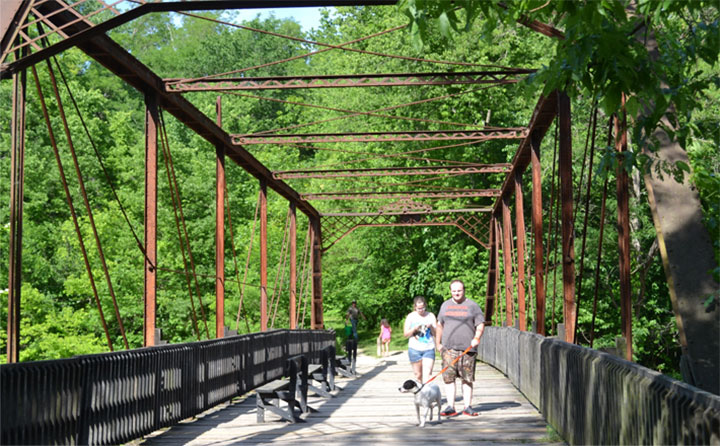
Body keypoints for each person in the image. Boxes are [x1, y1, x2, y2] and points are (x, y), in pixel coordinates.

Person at [435, 279, 485, 417]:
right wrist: (438, 344)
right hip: (448, 348)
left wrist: (477, 337)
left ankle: (467, 406)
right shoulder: (445, 305)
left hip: (468, 349)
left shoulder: (473, 306)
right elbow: (439, 325)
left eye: (459, 290)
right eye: (454, 290)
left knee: (467, 378)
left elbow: (480, 324)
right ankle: (450, 406)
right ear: (450, 291)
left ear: (464, 290)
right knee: (449, 378)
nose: (456, 293)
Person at [403, 295, 437, 383]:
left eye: (423, 308)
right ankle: (420, 394)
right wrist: (414, 328)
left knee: (428, 374)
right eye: (419, 308)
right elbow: (406, 334)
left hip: (429, 348)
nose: (421, 310)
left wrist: (431, 327)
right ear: (415, 307)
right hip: (414, 349)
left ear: (425, 305)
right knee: (418, 375)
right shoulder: (411, 316)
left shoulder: (431, 316)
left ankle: (428, 395)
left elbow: (437, 334)